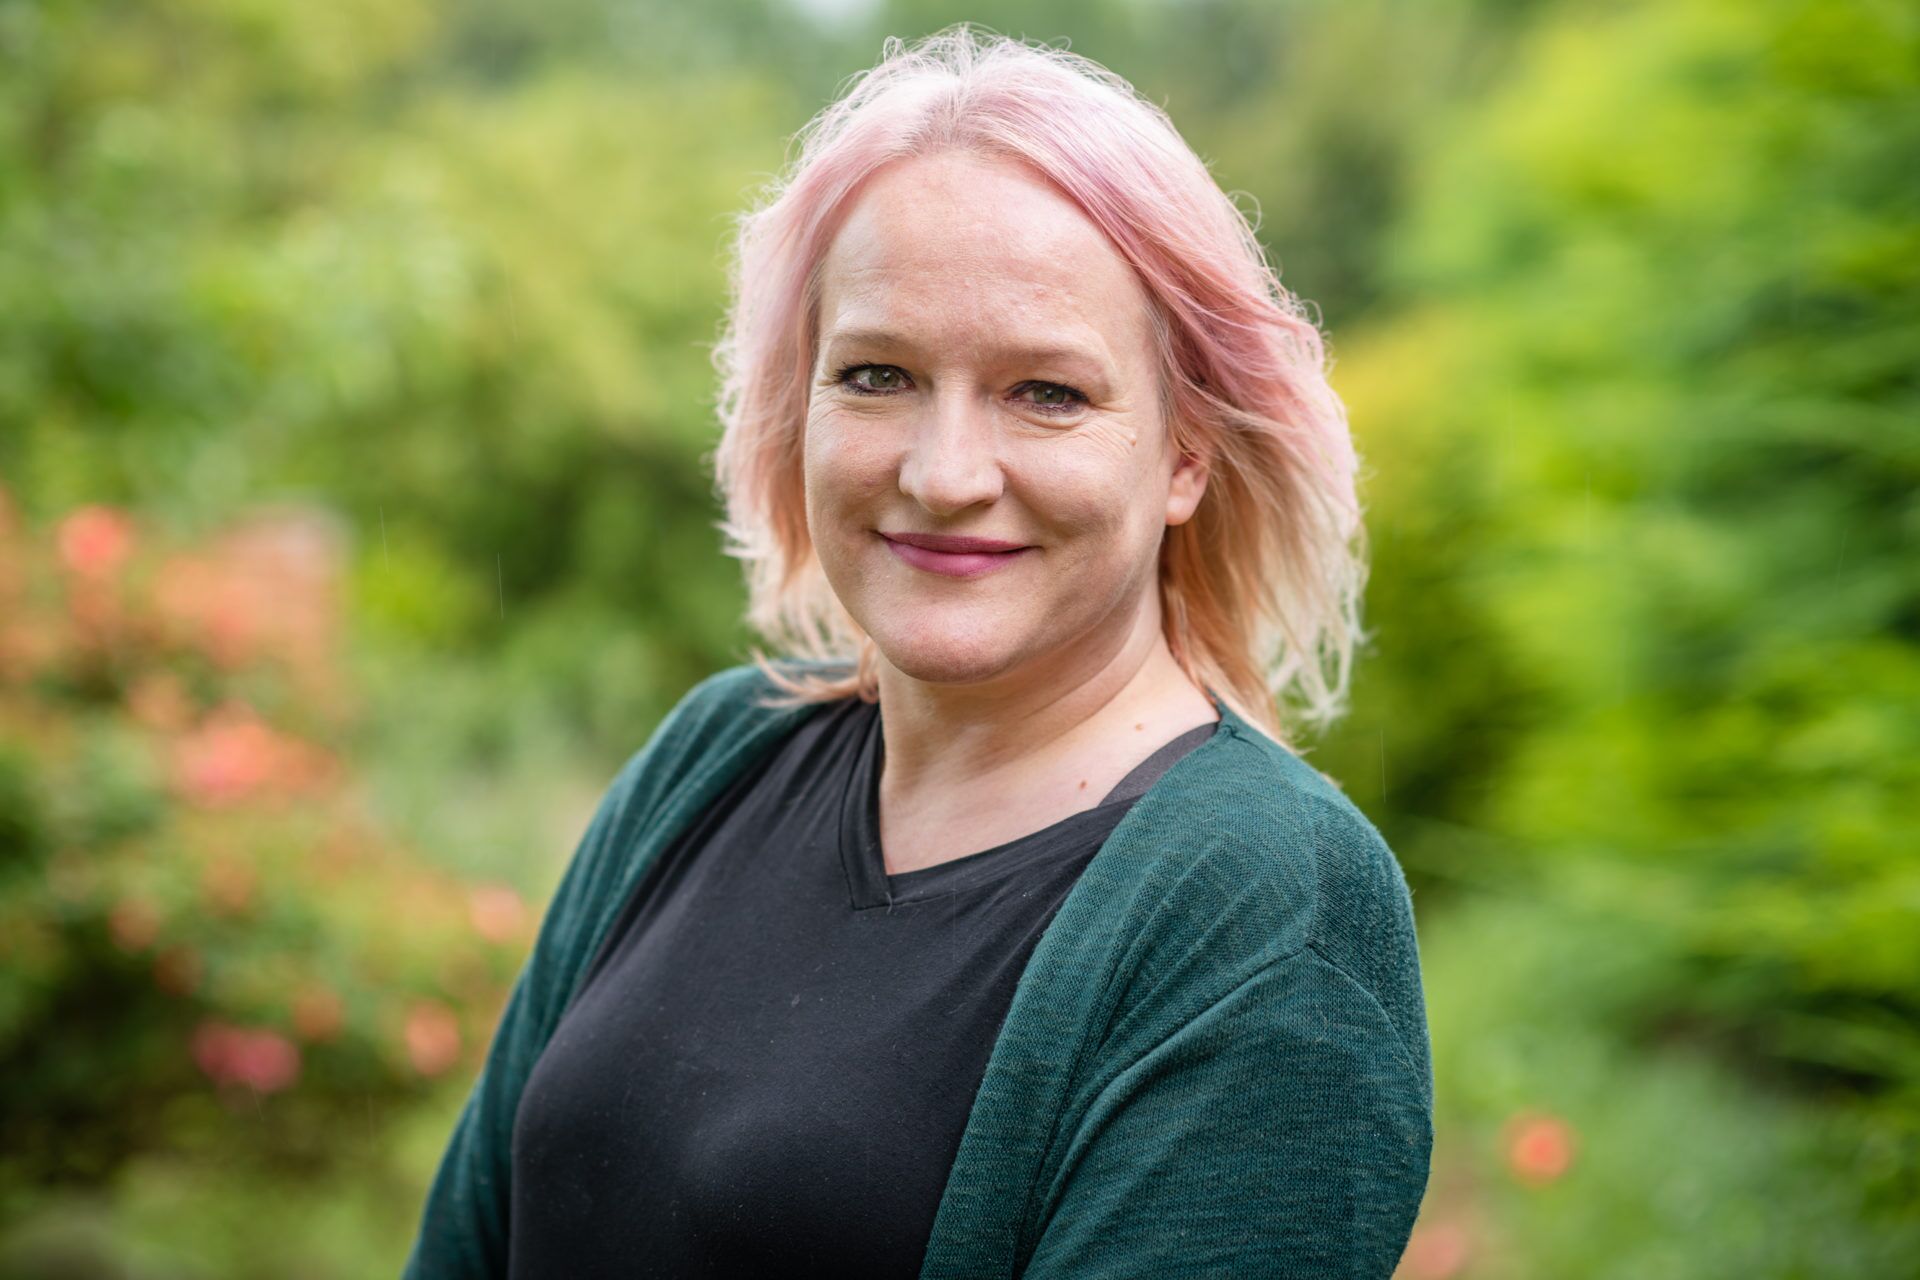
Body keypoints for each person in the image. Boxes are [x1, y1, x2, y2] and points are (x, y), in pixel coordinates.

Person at [403, 24, 1431, 1279]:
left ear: (1184, 455)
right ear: (801, 406)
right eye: (878, 374)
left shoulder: (1269, 904)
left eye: (1047, 391)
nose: (944, 474)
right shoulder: (715, 757)